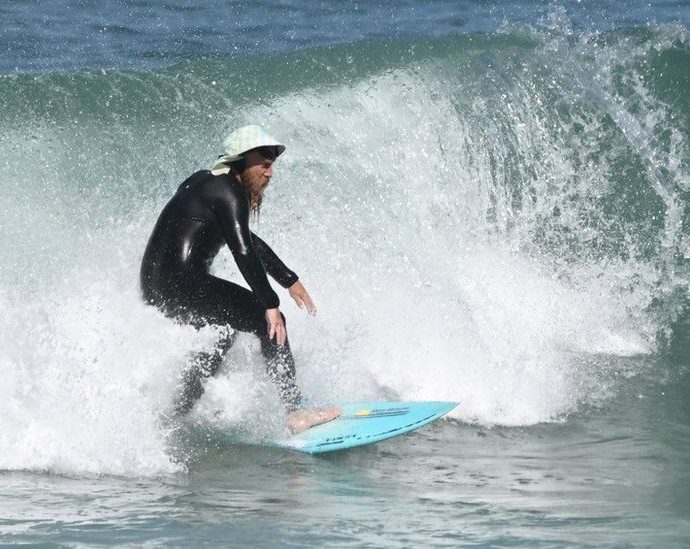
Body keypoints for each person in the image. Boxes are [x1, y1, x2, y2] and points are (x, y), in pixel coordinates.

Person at [140, 125, 339, 433]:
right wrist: (270, 303)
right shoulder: (229, 192)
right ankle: (295, 410)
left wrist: (289, 279)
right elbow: (242, 250)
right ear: (241, 160)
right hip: (182, 282)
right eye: (264, 164)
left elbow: (244, 238)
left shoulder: (203, 182)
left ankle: (177, 410)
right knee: (271, 323)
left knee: (222, 332)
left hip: (156, 286)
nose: (269, 174)